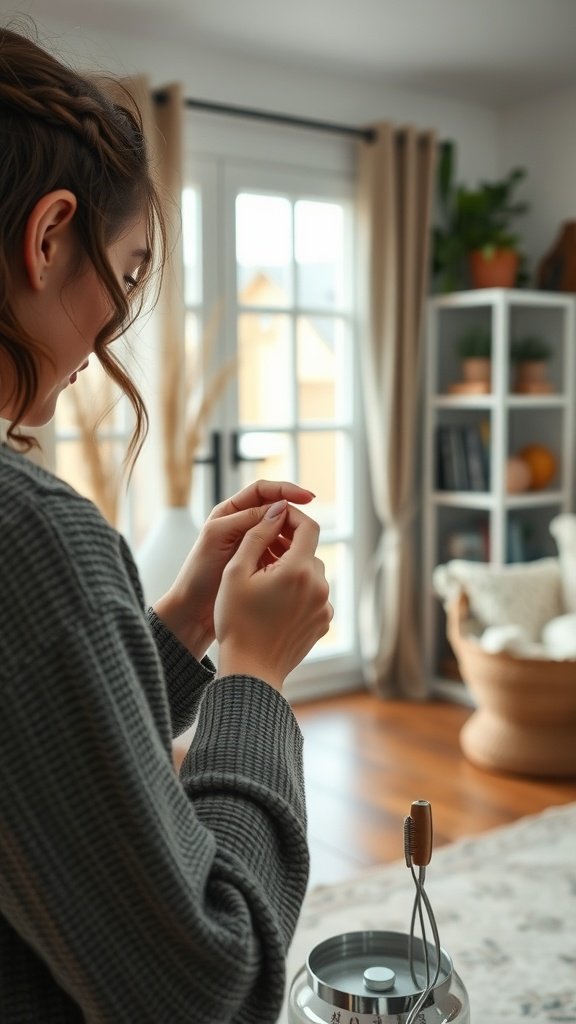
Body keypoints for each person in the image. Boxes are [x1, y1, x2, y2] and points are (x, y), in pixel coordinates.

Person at [0, 26, 333, 1023]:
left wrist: (186, 620)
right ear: (51, 235)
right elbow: (206, 989)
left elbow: (39, 755)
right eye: (131, 270)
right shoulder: (33, 537)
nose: (121, 318)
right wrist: (254, 677)